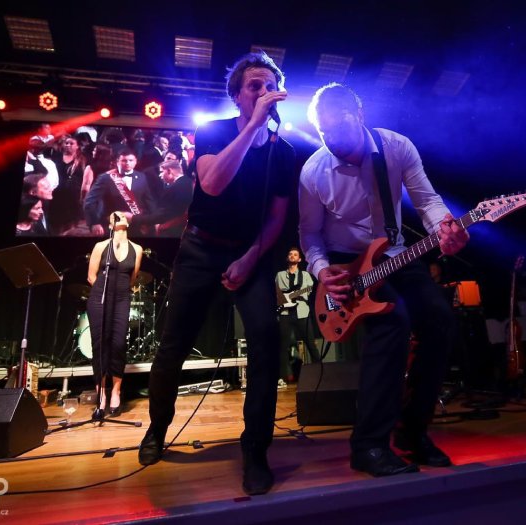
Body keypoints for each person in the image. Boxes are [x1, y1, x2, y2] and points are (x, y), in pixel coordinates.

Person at [138, 51, 294, 497]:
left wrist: (250, 258)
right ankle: (157, 429)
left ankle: (256, 449)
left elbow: (277, 217)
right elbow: (212, 184)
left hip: (250, 254)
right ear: (237, 95)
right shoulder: (212, 132)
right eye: (254, 86)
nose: (263, 92)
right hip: (200, 248)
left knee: (265, 340)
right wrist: (252, 128)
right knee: (174, 344)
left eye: (270, 86)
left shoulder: (283, 152)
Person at [299, 83, 469, 477]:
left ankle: (412, 431)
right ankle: (368, 446)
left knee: (441, 320)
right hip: (345, 265)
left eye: (339, 128)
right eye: (324, 132)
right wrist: (322, 271)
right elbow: (309, 234)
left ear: (359, 115)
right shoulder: (313, 171)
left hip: (393, 254)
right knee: (392, 323)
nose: (332, 139)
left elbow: (427, 201)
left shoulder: (396, 147)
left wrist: (445, 228)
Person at [86, 212, 143, 416]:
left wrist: (118, 293)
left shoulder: (137, 249)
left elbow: (132, 278)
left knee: (118, 344)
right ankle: (101, 393)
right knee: (100, 344)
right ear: (110, 224)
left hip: (121, 299)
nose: (120, 216)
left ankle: (116, 392)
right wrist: (104, 293)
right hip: (99, 299)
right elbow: (91, 276)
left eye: (123, 215)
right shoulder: (101, 246)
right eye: (115, 215)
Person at [83, 148, 159, 237]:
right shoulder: (105, 178)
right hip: (112, 224)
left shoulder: (141, 177)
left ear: (135, 162)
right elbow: (89, 202)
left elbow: (149, 200)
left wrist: (155, 220)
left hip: (136, 223)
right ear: (117, 162)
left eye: (131, 160)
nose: (127, 163)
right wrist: (94, 223)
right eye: (124, 160)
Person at [275, 247, 319, 382]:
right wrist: (284, 299)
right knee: (283, 346)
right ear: (287, 258)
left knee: (310, 343)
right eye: (290, 254)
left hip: (302, 312)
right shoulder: (280, 275)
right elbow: (277, 292)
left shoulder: (305, 275)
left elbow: (309, 289)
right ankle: (285, 376)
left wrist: (297, 294)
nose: (292, 256)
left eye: (295, 254)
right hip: (285, 313)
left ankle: (319, 372)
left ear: (299, 259)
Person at [152, 158, 193, 237]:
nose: (160, 175)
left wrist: (160, 225)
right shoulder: (188, 182)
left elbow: (176, 213)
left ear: (169, 171)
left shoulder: (176, 187)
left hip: (172, 231)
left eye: (161, 172)